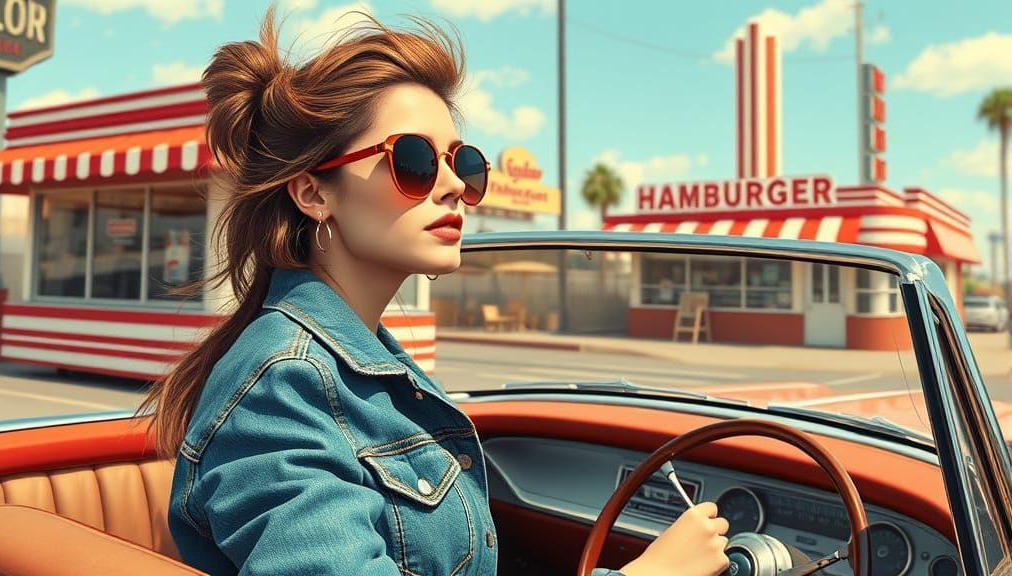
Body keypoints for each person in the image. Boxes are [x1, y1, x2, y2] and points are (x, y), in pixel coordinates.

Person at [138, 7, 730, 576]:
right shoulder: (283, 387)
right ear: (314, 194)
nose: (451, 185)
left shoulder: (367, 365)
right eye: (414, 160)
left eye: (461, 161)